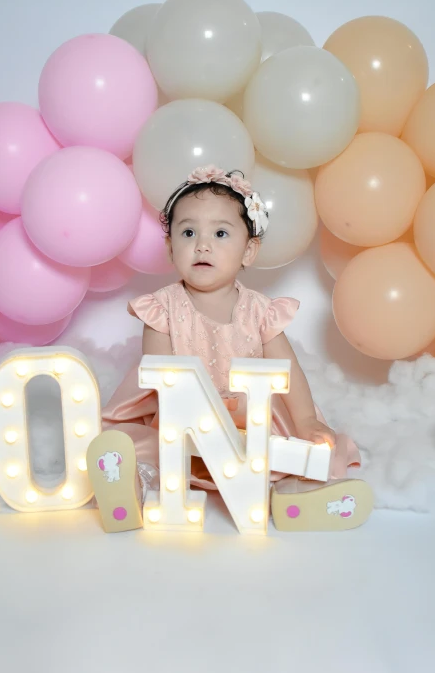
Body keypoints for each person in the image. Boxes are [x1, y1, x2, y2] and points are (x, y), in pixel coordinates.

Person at [102, 165, 361, 507]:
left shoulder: (260, 311)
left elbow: (288, 370)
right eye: (189, 233)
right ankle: (135, 485)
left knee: (298, 451)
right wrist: (203, 432)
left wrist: (306, 419)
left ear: (249, 251)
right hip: (185, 422)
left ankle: (294, 496)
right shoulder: (160, 309)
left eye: (220, 234)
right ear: (170, 247)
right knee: (139, 451)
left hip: (249, 420)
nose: (203, 246)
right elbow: (161, 380)